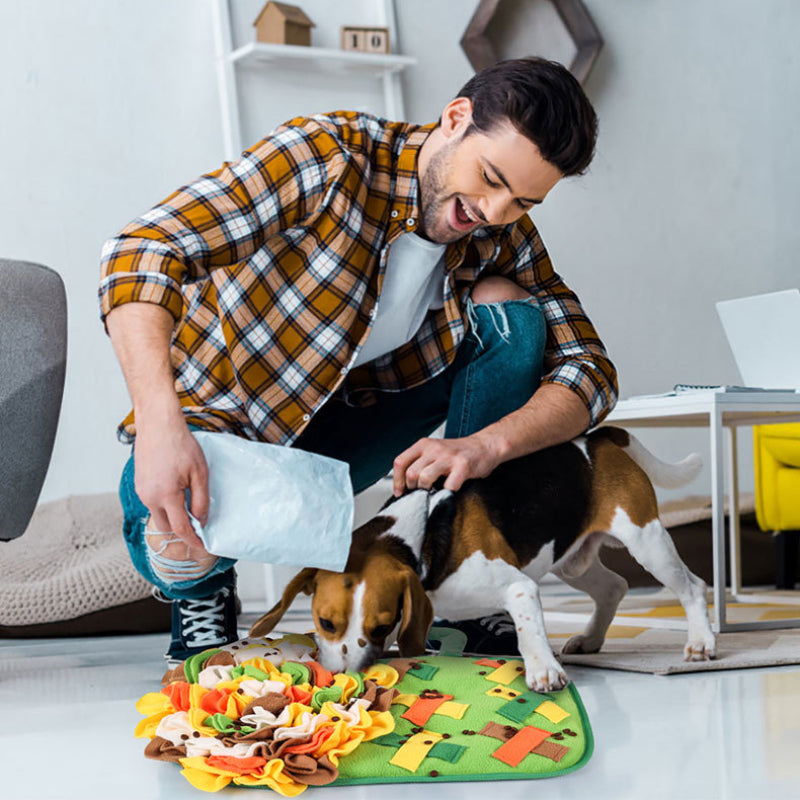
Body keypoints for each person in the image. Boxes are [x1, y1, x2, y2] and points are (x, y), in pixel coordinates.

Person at [99, 57, 617, 662]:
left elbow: (591, 369)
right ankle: (204, 593)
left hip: (360, 420)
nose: (495, 211)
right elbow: (142, 250)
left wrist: (486, 445)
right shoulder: (327, 156)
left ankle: (467, 584)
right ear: (455, 119)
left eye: (522, 202)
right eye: (490, 177)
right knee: (172, 548)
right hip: (235, 419)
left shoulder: (500, 233)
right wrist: (160, 423)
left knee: (510, 308)